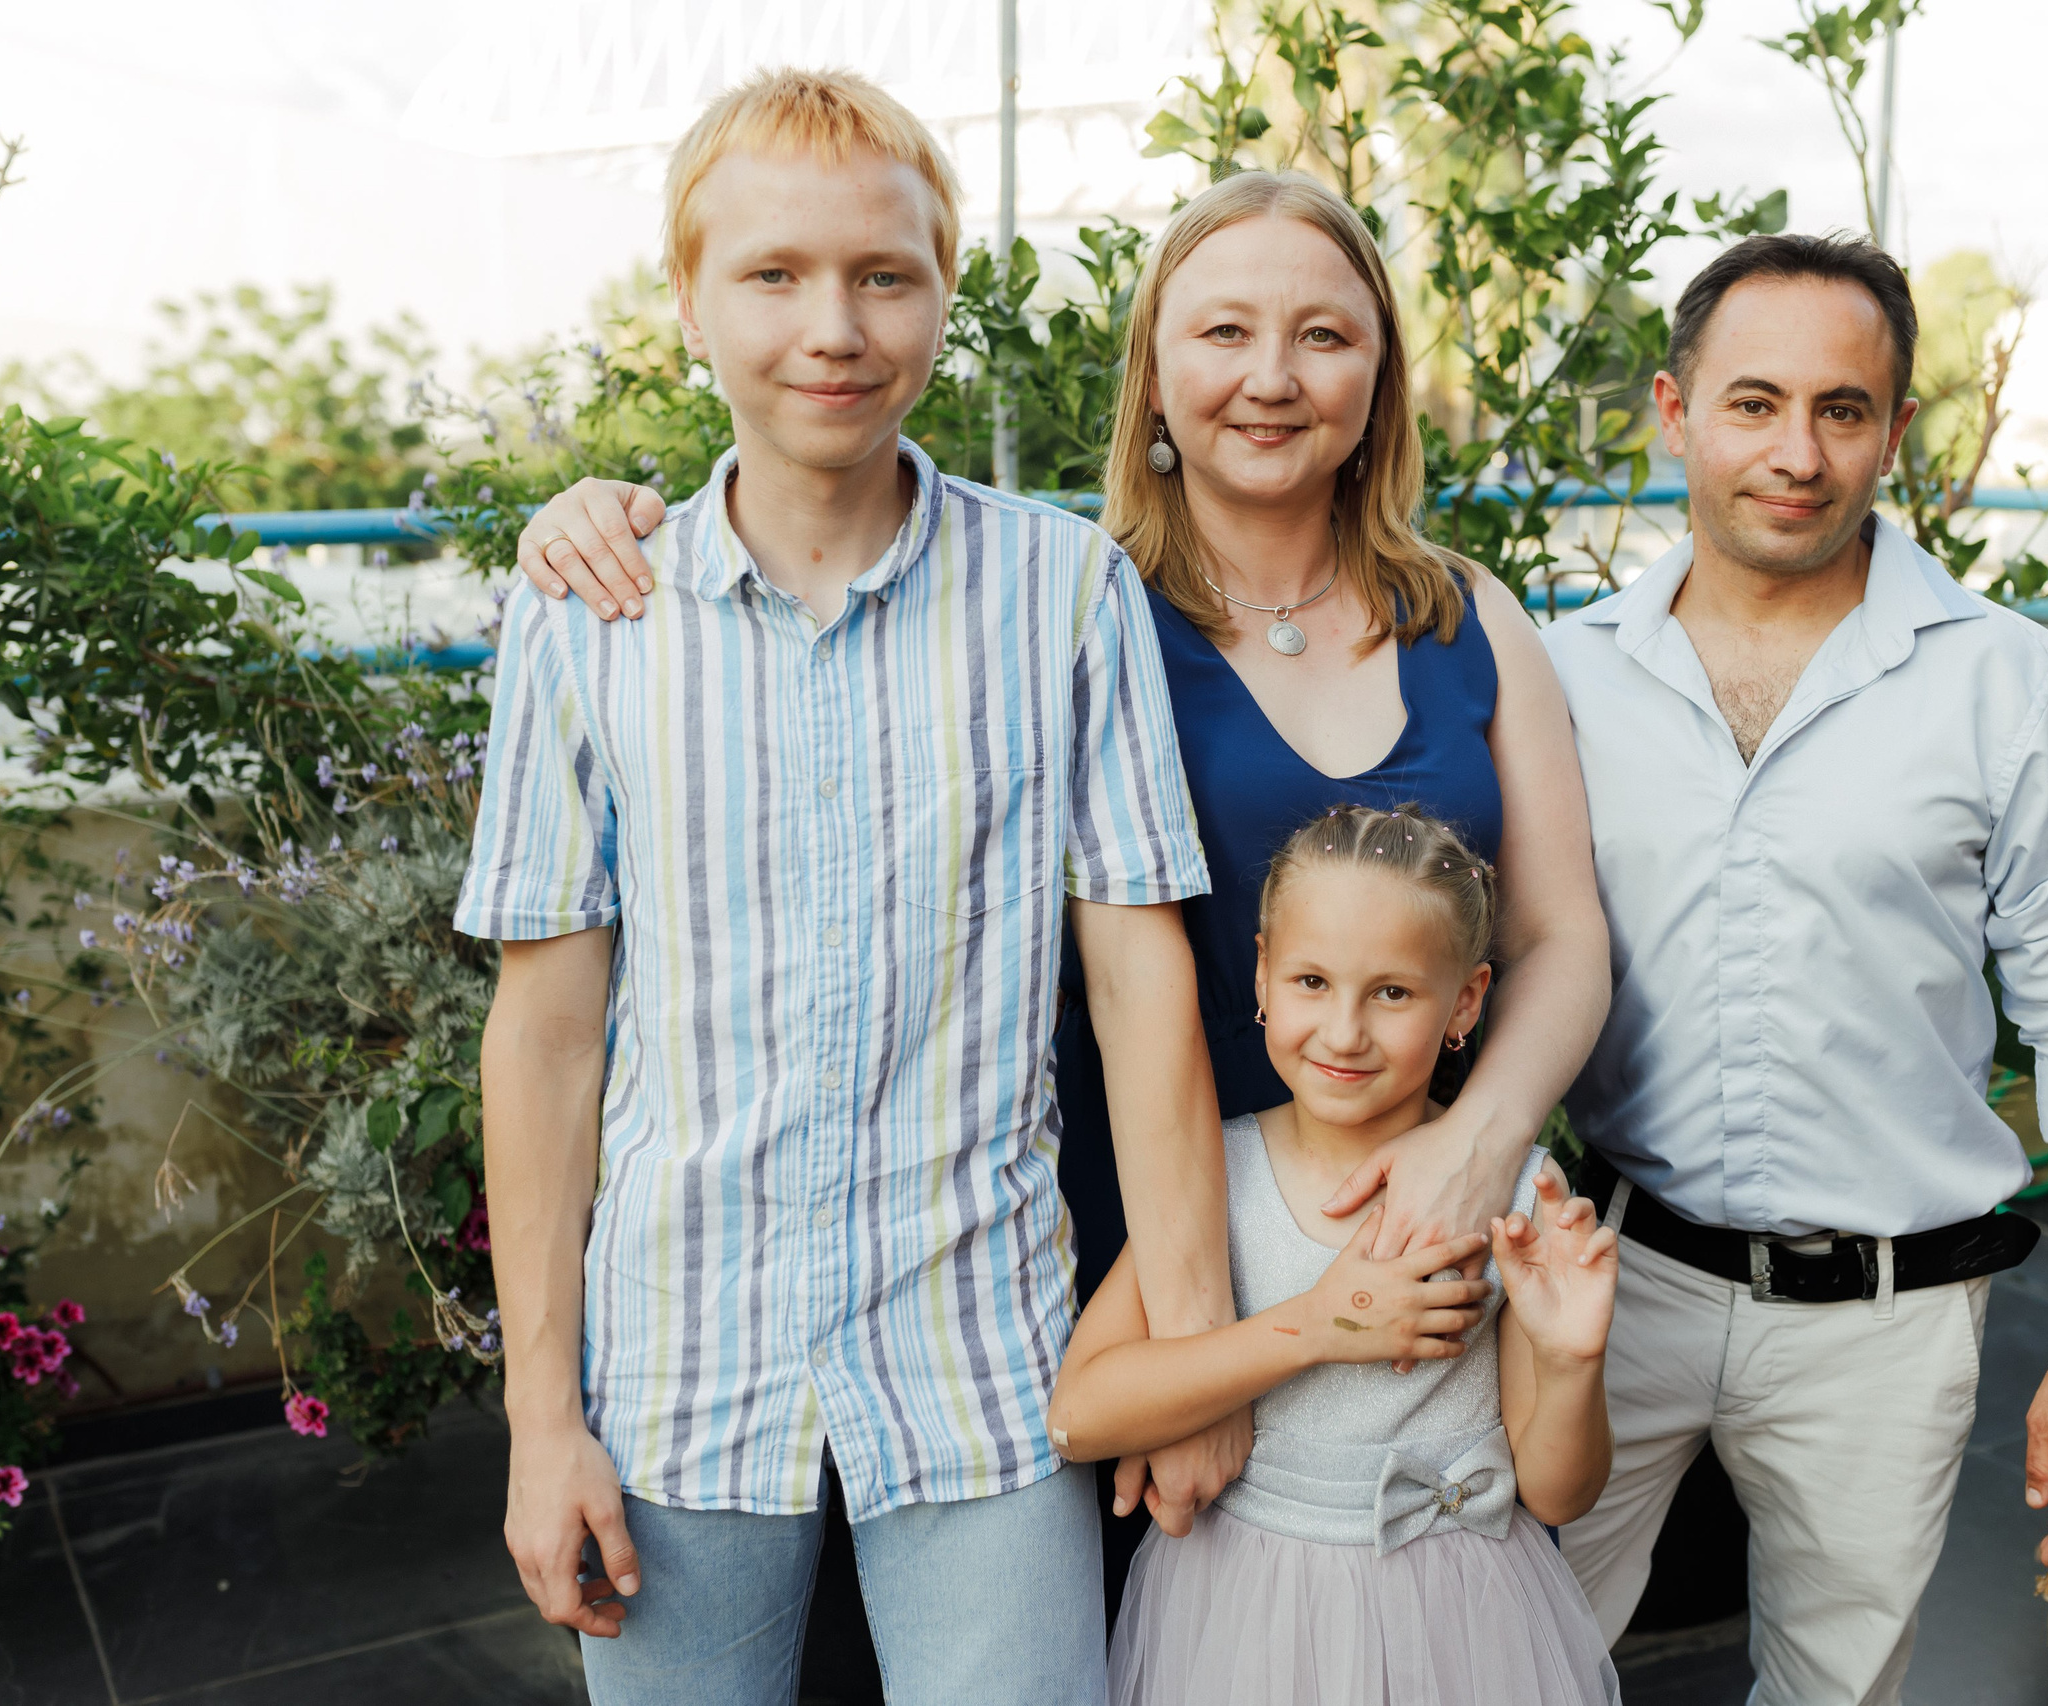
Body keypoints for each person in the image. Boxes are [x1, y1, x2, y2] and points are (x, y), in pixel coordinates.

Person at [516, 170, 1610, 1570]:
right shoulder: (1055, 604)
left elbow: (1562, 934)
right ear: (1151, 373)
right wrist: (597, 521)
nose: (1272, 378)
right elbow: (815, 569)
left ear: (1381, 377)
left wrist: (1476, 1147)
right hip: (1139, 1251)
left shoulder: (1468, 614)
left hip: (1413, 1222)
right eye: (1222, 334)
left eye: (1324, 337)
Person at [460, 68, 1234, 1706]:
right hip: (680, 1360)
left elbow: (1140, 983)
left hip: (984, 1357)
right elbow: (546, 1038)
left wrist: (1187, 1351)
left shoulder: (1064, 592)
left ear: (945, 289)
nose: (837, 326)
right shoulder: (591, 610)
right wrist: (544, 1420)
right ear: (687, 299)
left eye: (886, 274)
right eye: (774, 275)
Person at [1542, 232, 2048, 1704]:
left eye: (1843, 409)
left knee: (1838, 1692)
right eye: (1755, 403)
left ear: (1892, 430)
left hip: (1888, 1322)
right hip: (1615, 1279)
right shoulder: (1562, 673)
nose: (1798, 452)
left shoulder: (2012, 686)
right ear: (1674, 410)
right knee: (1504, 1648)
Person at [1050, 804, 1623, 1706]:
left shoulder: (1513, 1197)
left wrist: (1571, 1359)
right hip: (1245, 1630)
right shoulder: (1219, 1175)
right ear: (1264, 976)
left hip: (1463, 1635)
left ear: (1465, 1002)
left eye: (1392, 992)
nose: (1345, 1031)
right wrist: (1317, 1325)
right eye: (1313, 981)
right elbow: (1081, 1414)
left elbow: (1557, 1493)